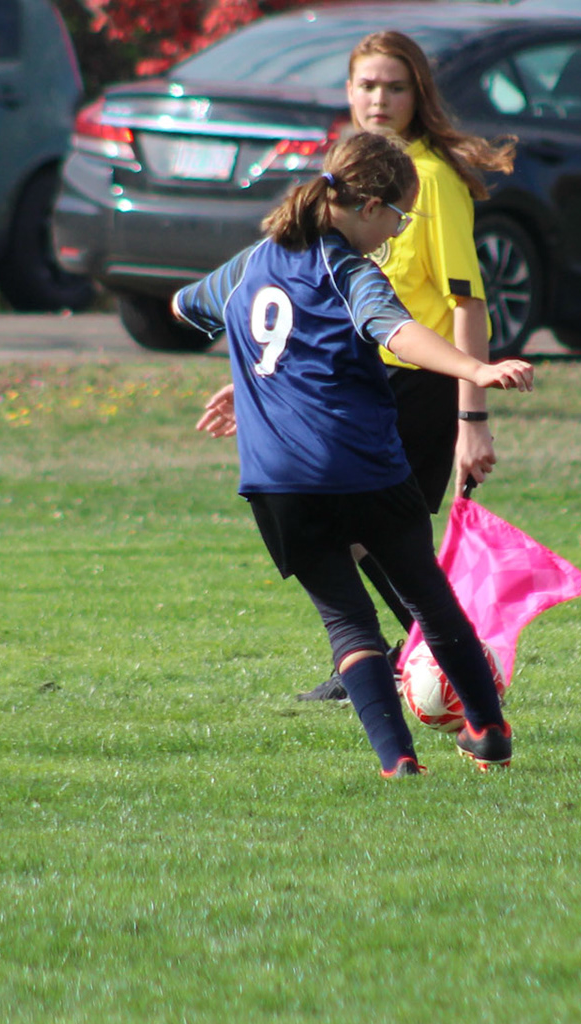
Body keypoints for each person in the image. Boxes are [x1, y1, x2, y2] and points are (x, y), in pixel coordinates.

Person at [173, 131, 534, 775]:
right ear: (368, 206)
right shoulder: (349, 270)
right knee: (429, 598)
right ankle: (488, 729)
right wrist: (474, 369)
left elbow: (184, 305)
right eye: (400, 217)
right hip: (359, 465)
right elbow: (397, 331)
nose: (398, 231)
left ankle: (398, 763)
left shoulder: (250, 263)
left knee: (347, 623)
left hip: (277, 480)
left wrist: (259, 371)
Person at [207, 30, 516, 703]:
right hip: (355, 382)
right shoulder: (347, 178)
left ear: (419, 95)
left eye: (395, 87)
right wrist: (257, 380)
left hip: (419, 383)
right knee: (358, 536)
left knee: (369, 535)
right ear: (347, 92)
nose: (379, 99)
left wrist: (472, 419)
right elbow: (300, 307)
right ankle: (408, 661)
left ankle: (422, 663)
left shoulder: (429, 181)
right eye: (367, 85)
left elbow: (468, 303)